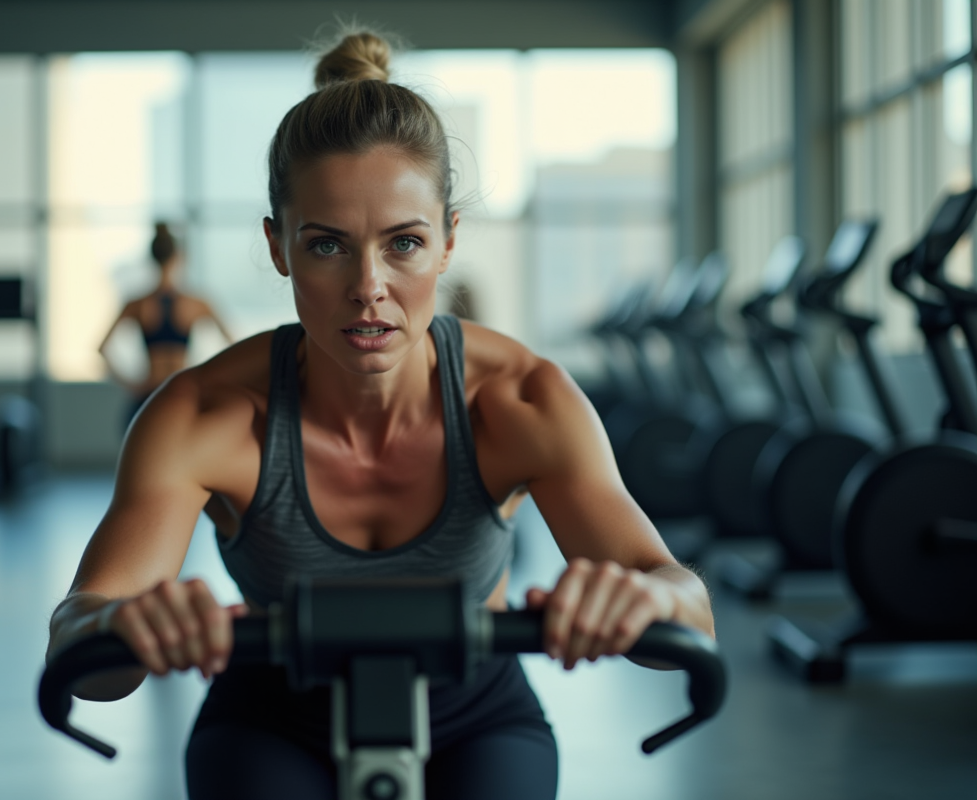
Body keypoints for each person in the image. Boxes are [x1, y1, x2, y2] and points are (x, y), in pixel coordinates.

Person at [50, 29, 714, 800]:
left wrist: (645, 599)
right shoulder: (201, 416)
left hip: (476, 718)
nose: (369, 287)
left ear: (448, 243)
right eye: (327, 247)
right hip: (271, 717)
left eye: (403, 243)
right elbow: (82, 643)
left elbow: (686, 610)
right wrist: (125, 627)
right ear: (278, 247)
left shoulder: (522, 399)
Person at [98, 223, 232, 425]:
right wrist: (206, 378)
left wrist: (131, 384)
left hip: (148, 394)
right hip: (180, 394)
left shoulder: (138, 304)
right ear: (178, 258)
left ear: (152, 258)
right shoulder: (196, 304)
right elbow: (233, 345)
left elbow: (102, 349)